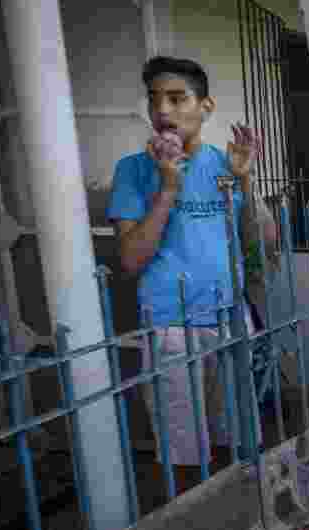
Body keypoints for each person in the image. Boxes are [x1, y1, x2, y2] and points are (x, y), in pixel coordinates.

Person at [108, 56, 279, 495]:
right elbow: (129, 260)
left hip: (229, 316)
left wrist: (244, 181)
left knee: (239, 439)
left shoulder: (227, 163)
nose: (162, 110)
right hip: (171, 324)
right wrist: (168, 188)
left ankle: (241, 517)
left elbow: (257, 247)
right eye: (154, 99)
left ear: (205, 106)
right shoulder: (132, 170)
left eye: (177, 98)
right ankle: (195, 528)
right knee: (184, 454)